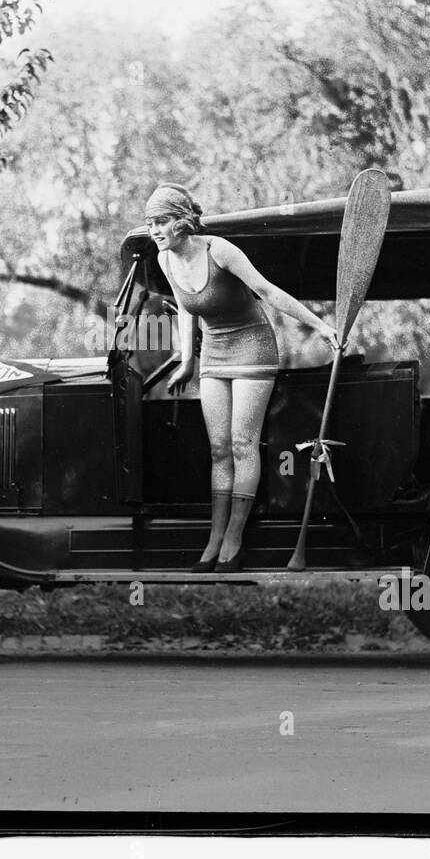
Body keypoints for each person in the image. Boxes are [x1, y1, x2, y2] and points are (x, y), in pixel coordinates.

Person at [145, 183, 341, 572]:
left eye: (162, 221)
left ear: (182, 222)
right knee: (218, 448)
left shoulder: (220, 250)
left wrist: (320, 325)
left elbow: (266, 290)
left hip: (252, 346)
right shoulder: (166, 259)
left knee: (241, 443)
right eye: (150, 222)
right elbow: (187, 311)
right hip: (214, 352)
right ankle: (214, 538)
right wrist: (187, 361)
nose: (154, 229)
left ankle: (234, 539)